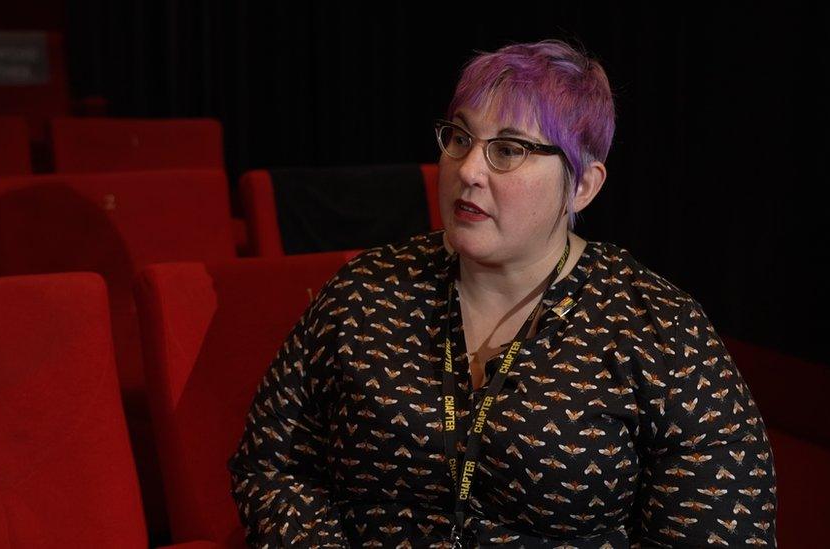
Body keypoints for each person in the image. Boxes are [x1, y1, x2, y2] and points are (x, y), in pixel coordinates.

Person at [228, 39, 777, 548]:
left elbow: (723, 526)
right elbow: (274, 466)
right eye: (460, 138)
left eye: (508, 149)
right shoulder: (367, 292)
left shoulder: (657, 328)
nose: (467, 169)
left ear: (582, 184)